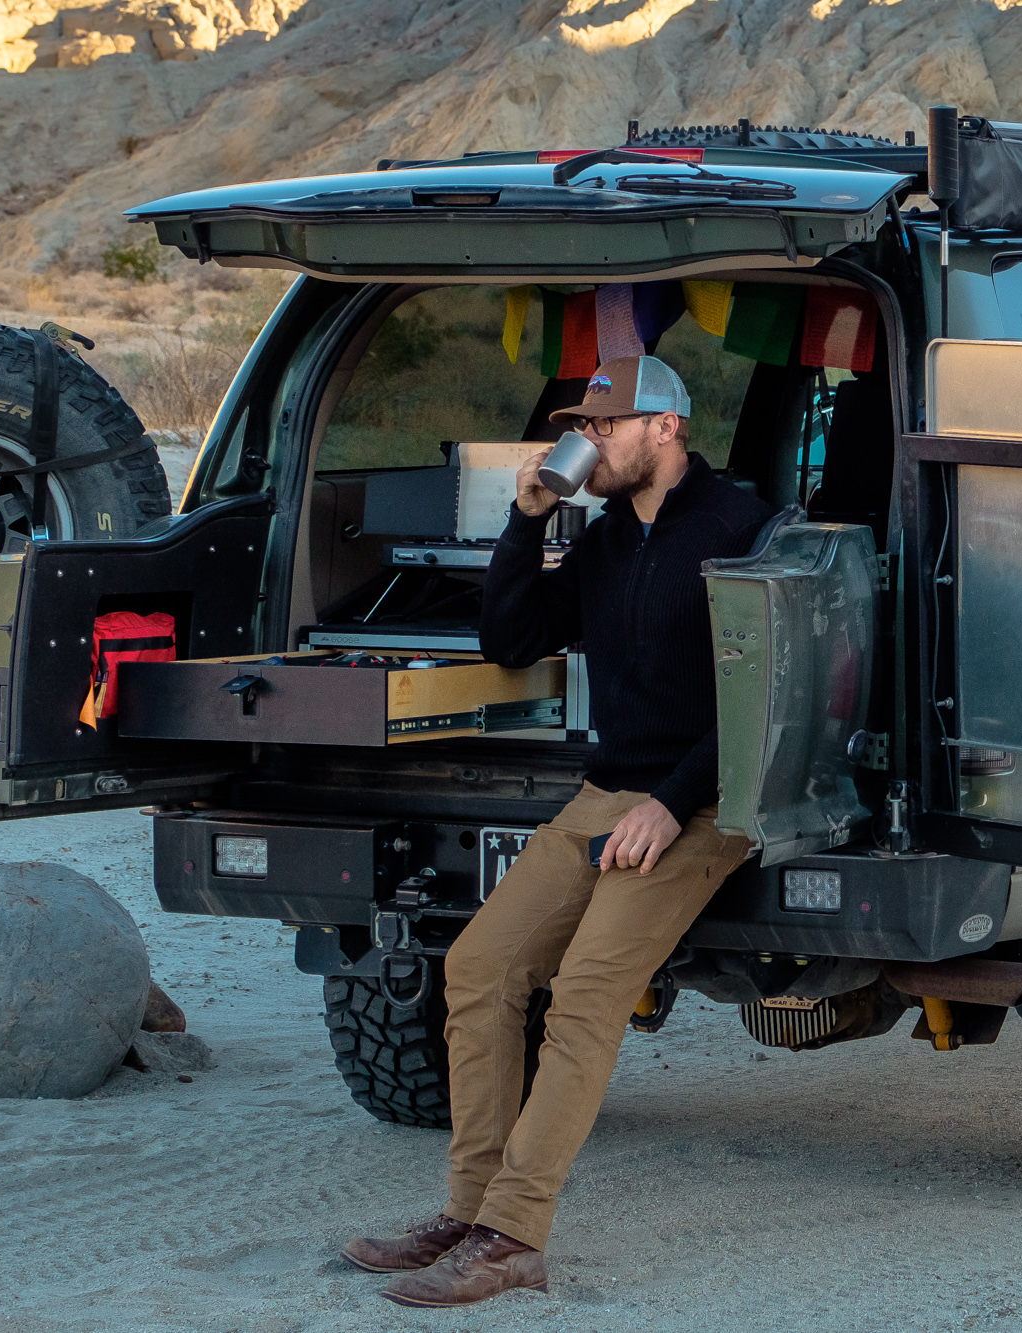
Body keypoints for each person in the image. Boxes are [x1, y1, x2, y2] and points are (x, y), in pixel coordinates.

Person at [340, 354, 774, 1307]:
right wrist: (527, 518)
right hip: (607, 794)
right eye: (586, 425)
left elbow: (762, 692)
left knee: (583, 995)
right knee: (478, 966)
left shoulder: (739, 528)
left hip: (705, 802)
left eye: (608, 424)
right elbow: (509, 639)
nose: (590, 439)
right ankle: (469, 1212)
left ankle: (513, 1235)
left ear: (667, 427)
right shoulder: (609, 536)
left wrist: (672, 801)